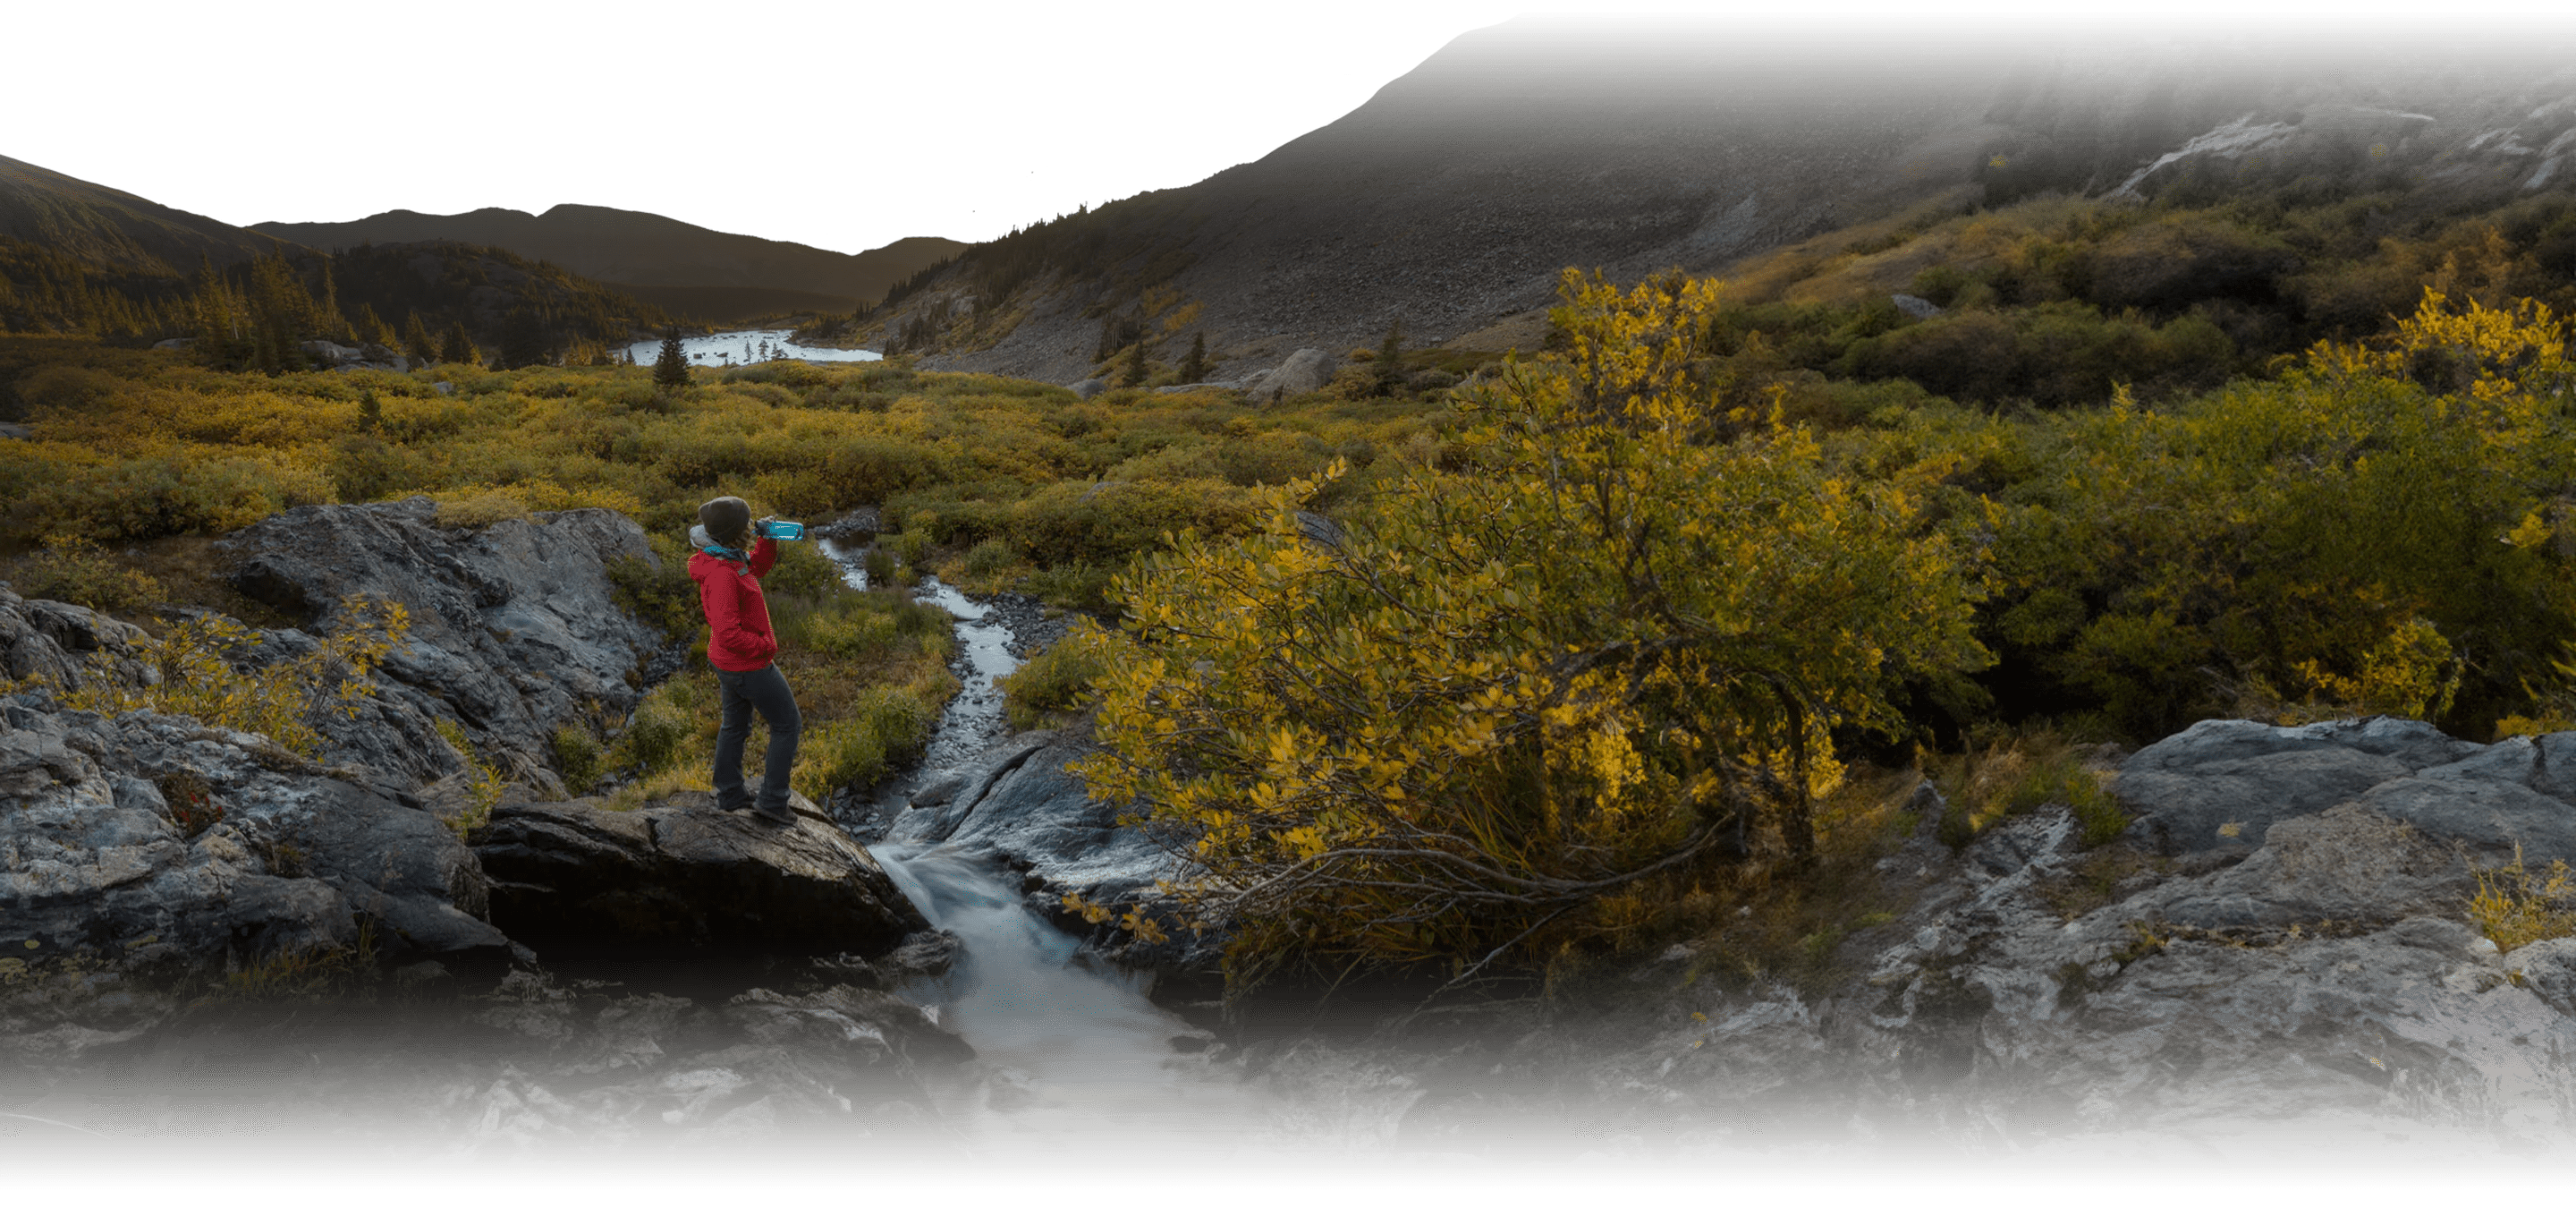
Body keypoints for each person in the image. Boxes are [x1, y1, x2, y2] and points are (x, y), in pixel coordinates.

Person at [688, 495, 801, 824]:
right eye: (748, 524)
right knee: (787, 725)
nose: (752, 525)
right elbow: (727, 632)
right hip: (746, 665)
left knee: (734, 726)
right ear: (736, 532)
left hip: (728, 664)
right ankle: (773, 801)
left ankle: (730, 793)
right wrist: (764, 646)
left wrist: (768, 539)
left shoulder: (726, 557)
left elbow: (758, 567)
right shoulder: (723, 574)